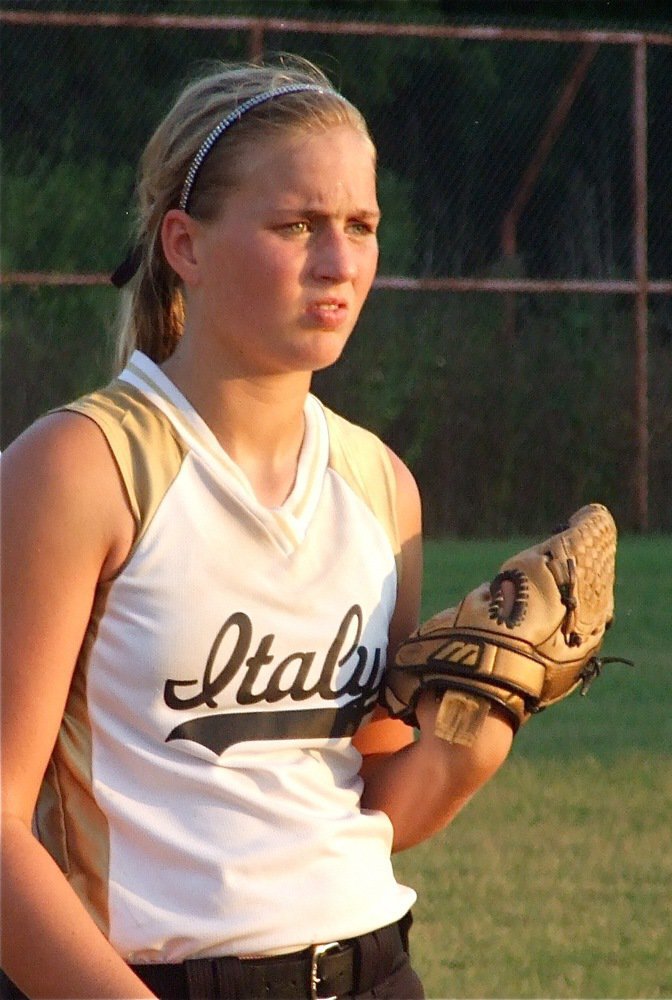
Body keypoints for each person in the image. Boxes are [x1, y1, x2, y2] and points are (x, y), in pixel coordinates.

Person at [0, 57, 514, 1000]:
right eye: (296, 225)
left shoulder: (380, 485)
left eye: (360, 226)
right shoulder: (81, 469)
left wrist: (468, 748)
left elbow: (348, 804)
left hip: (374, 968)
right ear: (186, 246)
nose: (339, 260)